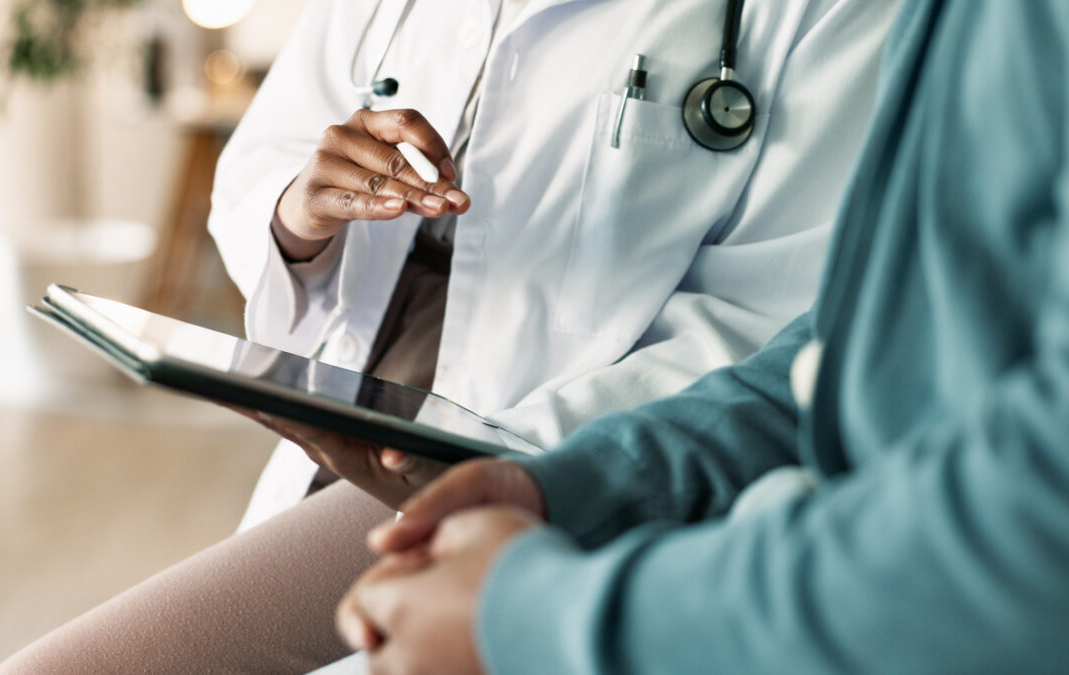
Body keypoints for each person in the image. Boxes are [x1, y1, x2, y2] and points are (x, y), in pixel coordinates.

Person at [330, 0, 1069, 672]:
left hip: (837, 593)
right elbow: (862, 339)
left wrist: (543, 620)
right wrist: (579, 485)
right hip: (651, 514)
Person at [209, 0, 899, 536]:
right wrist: (300, 215)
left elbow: (774, 318)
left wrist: (507, 458)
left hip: (553, 474)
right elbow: (265, 158)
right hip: (338, 424)